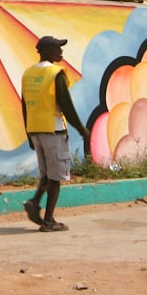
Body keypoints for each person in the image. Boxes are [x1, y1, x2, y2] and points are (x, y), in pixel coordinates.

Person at [20, 35, 90, 232]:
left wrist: (28, 133)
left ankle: (34, 202)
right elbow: (66, 105)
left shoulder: (29, 73)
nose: (61, 51)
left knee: (47, 174)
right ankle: (49, 220)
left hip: (36, 129)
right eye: (57, 48)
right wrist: (81, 129)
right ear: (46, 51)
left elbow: (24, 105)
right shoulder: (56, 73)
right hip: (54, 129)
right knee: (56, 177)